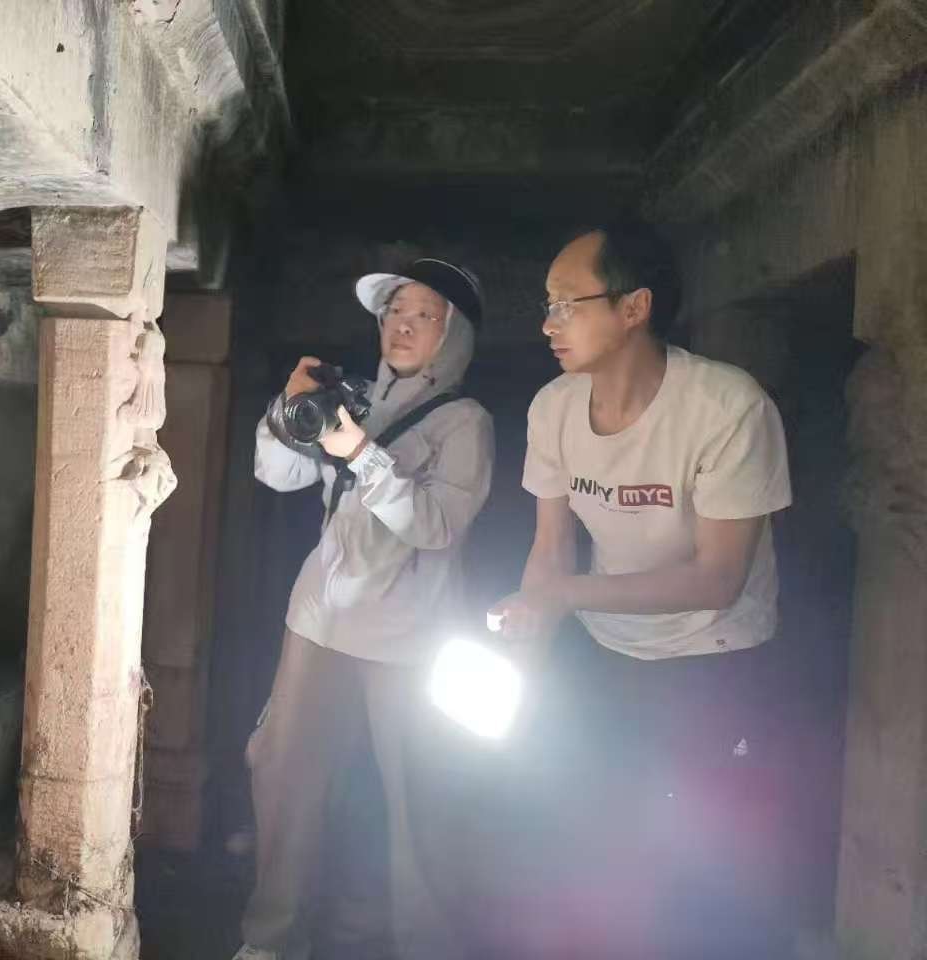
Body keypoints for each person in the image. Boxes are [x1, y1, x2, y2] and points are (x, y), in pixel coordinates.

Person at [488, 223, 793, 956]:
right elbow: (550, 552)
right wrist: (517, 679)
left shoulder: (727, 407)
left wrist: (563, 597)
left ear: (634, 307)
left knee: (709, 859)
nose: (549, 324)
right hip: (610, 649)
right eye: (548, 305)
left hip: (717, 658)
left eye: (568, 304)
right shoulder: (553, 408)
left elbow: (718, 579)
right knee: (601, 845)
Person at [233, 259, 494, 960]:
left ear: (455, 334)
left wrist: (363, 454)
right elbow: (277, 473)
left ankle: (429, 946)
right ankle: (271, 939)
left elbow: (438, 526)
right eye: (393, 313)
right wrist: (290, 408)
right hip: (320, 617)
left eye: (423, 315)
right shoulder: (355, 402)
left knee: (421, 797)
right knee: (282, 774)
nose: (402, 326)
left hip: (410, 634)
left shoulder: (465, 422)